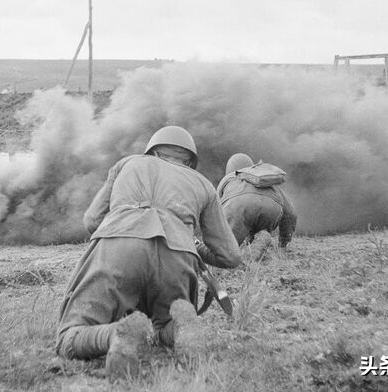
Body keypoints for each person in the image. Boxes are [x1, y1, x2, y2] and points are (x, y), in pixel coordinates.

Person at [56, 126, 241, 378]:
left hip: (120, 245)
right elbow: (231, 256)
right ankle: (180, 329)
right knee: (164, 325)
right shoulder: (203, 184)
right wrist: (192, 244)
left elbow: (91, 221)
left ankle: (116, 334)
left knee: (70, 335)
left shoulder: (127, 164)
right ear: (189, 161)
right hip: (177, 254)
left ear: (152, 151)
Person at [217, 153, 298, 259]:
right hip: (271, 208)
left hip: (239, 206)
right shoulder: (264, 178)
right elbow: (290, 214)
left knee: (225, 250)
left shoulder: (228, 178)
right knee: (255, 226)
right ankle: (261, 236)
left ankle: (240, 255)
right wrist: (283, 245)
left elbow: (216, 212)